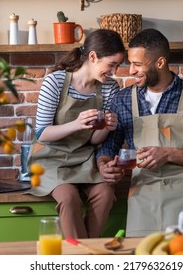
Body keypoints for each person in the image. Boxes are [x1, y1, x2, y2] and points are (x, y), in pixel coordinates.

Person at [96, 28, 183, 237]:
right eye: (130, 63)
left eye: (138, 64)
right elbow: (109, 145)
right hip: (143, 196)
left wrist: (167, 154)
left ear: (160, 63)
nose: (131, 71)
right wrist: (104, 165)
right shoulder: (123, 100)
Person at [26, 29, 125, 239]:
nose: (114, 71)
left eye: (118, 65)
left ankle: (86, 250)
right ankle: (83, 256)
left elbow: (95, 140)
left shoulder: (109, 88)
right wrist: (77, 124)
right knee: (69, 197)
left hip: (84, 159)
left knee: (105, 193)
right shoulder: (55, 82)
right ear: (92, 57)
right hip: (50, 159)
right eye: (111, 64)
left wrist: (106, 127)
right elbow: (42, 133)